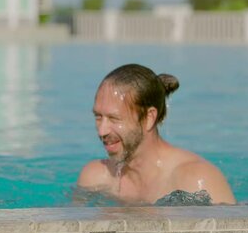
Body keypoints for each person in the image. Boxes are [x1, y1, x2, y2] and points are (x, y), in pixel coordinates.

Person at [77, 63, 236, 205]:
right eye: (98, 117)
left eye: (114, 118)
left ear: (148, 118)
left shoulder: (196, 181)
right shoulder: (95, 178)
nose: (102, 131)